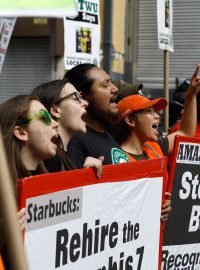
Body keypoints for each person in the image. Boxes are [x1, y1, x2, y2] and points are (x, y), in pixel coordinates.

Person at [0, 94, 58, 269]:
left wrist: (89, 178)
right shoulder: (3, 195)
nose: (55, 123)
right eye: (44, 117)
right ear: (21, 132)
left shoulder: (52, 179)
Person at [116, 64, 200, 161]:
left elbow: (186, 132)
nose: (157, 116)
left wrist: (192, 94)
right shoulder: (116, 159)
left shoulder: (155, 148)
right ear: (130, 120)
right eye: (149, 111)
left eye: (155, 111)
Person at [32, 78, 104, 178]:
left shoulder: (65, 156)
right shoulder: (50, 158)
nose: (85, 103)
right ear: (55, 110)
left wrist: (85, 176)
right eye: (76, 98)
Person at [64, 63, 130, 168]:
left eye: (111, 82)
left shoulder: (106, 134)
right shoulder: (75, 142)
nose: (115, 89)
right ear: (84, 97)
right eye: (105, 85)